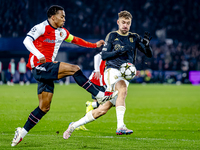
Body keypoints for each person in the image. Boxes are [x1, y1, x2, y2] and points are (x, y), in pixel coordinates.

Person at [11, 5, 118, 147]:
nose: (64, 19)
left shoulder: (62, 32)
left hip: (46, 71)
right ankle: (99, 94)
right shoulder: (42, 27)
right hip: (39, 66)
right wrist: (39, 54)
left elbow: (77, 40)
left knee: (44, 107)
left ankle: (21, 132)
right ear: (53, 17)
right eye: (62, 16)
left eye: (65, 16)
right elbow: (26, 40)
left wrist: (94, 45)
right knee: (74, 69)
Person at [63, 10, 153, 139]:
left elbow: (148, 54)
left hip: (125, 74)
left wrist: (147, 46)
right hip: (112, 71)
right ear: (118, 22)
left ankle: (73, 125)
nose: (125, 25)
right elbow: (104, 55)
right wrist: (120, 51)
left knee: (102, 110)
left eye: (128, 23)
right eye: (123, 22)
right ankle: (121, 126)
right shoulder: (112, 36)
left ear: (130, 24)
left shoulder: (134, 37)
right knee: (123, 89)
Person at [76, 53, 106, 131]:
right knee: (106, 104)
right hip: (97, 81)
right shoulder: (109, 49)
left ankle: (79, 123)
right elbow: (97, 56)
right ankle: (80, 123)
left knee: (100, 107)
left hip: (102, 82)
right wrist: (97, 70)